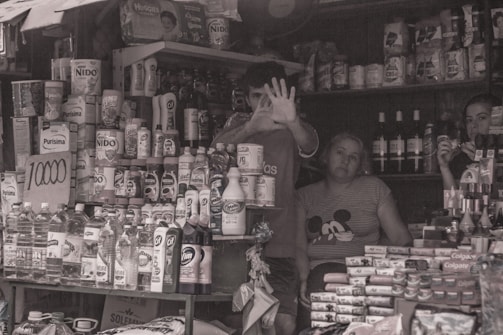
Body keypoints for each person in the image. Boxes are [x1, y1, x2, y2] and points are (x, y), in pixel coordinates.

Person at [212, 61, 319, 335]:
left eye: (268, 95)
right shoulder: (238, 124)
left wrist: (291, 121)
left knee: (283, 322)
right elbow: (212, 156)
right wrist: (250, 128)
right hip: (236, 243)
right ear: (247, 98)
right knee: (242, 322)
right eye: (256, 96)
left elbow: (310, 147)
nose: (263, 102)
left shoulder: (294, 124)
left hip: (281, 242)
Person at [295, 133, 412, 331]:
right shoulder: (304, 195)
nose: (345, 160)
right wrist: (303, 278)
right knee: (319, 290)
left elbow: (401, 238)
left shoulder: (374, 188)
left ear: (360, 165)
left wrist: (382, 267)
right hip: (320, 273)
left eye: (354, 157)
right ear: (326, 156)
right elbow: (297, 244)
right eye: (339, 152)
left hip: (364, 273)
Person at [437, 94, 500, 190]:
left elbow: (493, 199)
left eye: (481, 118)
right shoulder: (462, 156)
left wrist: (484, 163)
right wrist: (444, 167)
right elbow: (453, 202)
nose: (473, 125)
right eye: (469, 120)